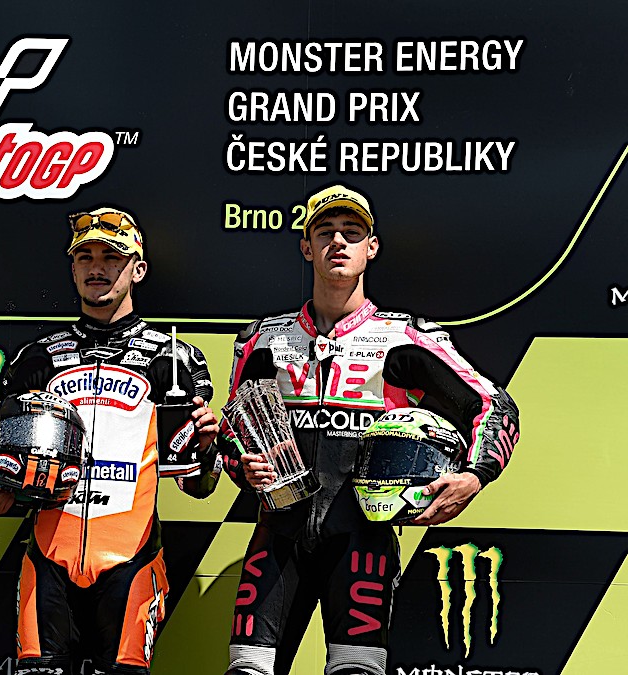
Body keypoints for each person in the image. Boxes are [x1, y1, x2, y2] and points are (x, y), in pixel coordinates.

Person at [221, 185, 520, 675]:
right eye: (325, 232)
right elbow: (233, 430)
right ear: (306, 247)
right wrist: (242, 468)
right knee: (246, 672)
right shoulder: (263, 339)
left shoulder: (405, 337)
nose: (338, 242)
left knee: (356, 673)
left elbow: (493, 404)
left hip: (362, 542)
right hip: (277, 538)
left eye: (352, 232)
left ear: (371, 247)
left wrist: (474, 476)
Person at [0, 206, 222, 675]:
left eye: (112, 257)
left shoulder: (174, 359)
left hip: (133, 558)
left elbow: (199, 486)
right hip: (47, 559)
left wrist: (206, 450)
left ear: (137, 270)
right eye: (85, 257)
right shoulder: (37, 358)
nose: (97, 268)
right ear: (72, 269)